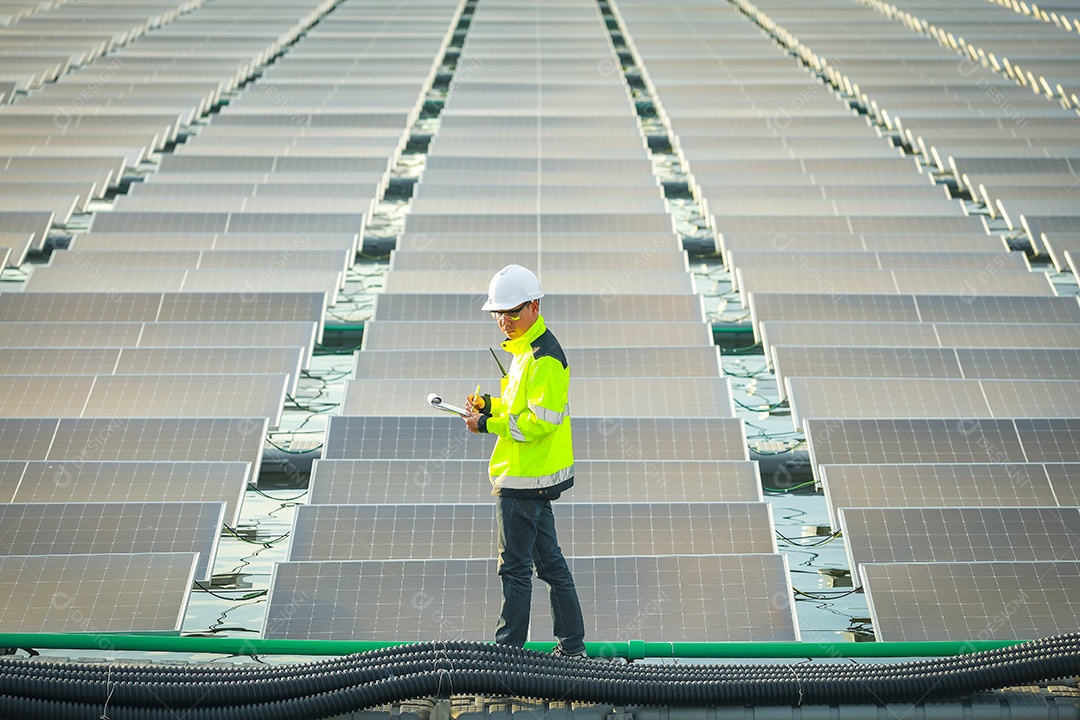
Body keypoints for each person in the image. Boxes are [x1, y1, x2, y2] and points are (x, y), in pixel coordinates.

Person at [463, 264, 587, 658]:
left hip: (523, 479)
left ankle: (507, 656)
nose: (504, 321)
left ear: (534, 306)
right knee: (550, 567)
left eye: (513, 312)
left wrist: (486, 424)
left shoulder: (545, 357)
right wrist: (490, 405)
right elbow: (521, 406)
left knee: (514, 571)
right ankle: (571, 648)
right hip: (528, 477)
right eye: (498, 313)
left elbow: (539, 422)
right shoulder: (525, 351)